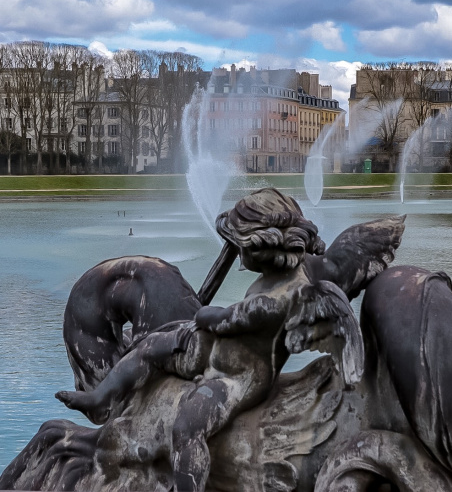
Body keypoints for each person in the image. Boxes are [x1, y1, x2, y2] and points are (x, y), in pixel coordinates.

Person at [57, 188, 362, 491]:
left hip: (238, 375)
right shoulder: (279, 275)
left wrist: (204, 317)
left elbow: (224, 319)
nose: (239, 257)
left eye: (240, 246)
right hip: (214, 347)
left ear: (259, 247)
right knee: (149, 346)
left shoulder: (279, 299)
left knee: (188, 426)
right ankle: (100, 397)